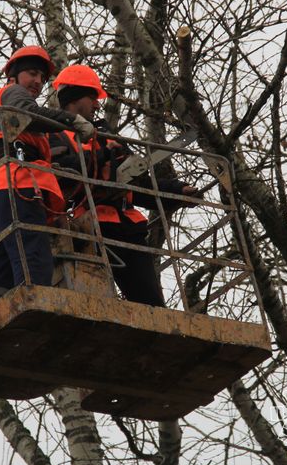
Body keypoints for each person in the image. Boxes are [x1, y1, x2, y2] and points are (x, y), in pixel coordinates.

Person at [48, 64, 197, 308]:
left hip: (130, 227)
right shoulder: (56, 134)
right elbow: (61, 174)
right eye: (92, 97)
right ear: (75, 98)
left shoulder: (106, 134)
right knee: (93, 306)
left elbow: (136, 181)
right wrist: (102, 156)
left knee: (151, 306)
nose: (97, 105)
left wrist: (176, 191)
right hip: (90, 230)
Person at [0, 46, 96, 308]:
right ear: (14, 77)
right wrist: (72, 120)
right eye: (31, 74)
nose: (38, 82)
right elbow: (28, 114)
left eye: (41, 77)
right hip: (16, 183)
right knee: (34, 258)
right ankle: (35, 312)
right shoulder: (13, 93)